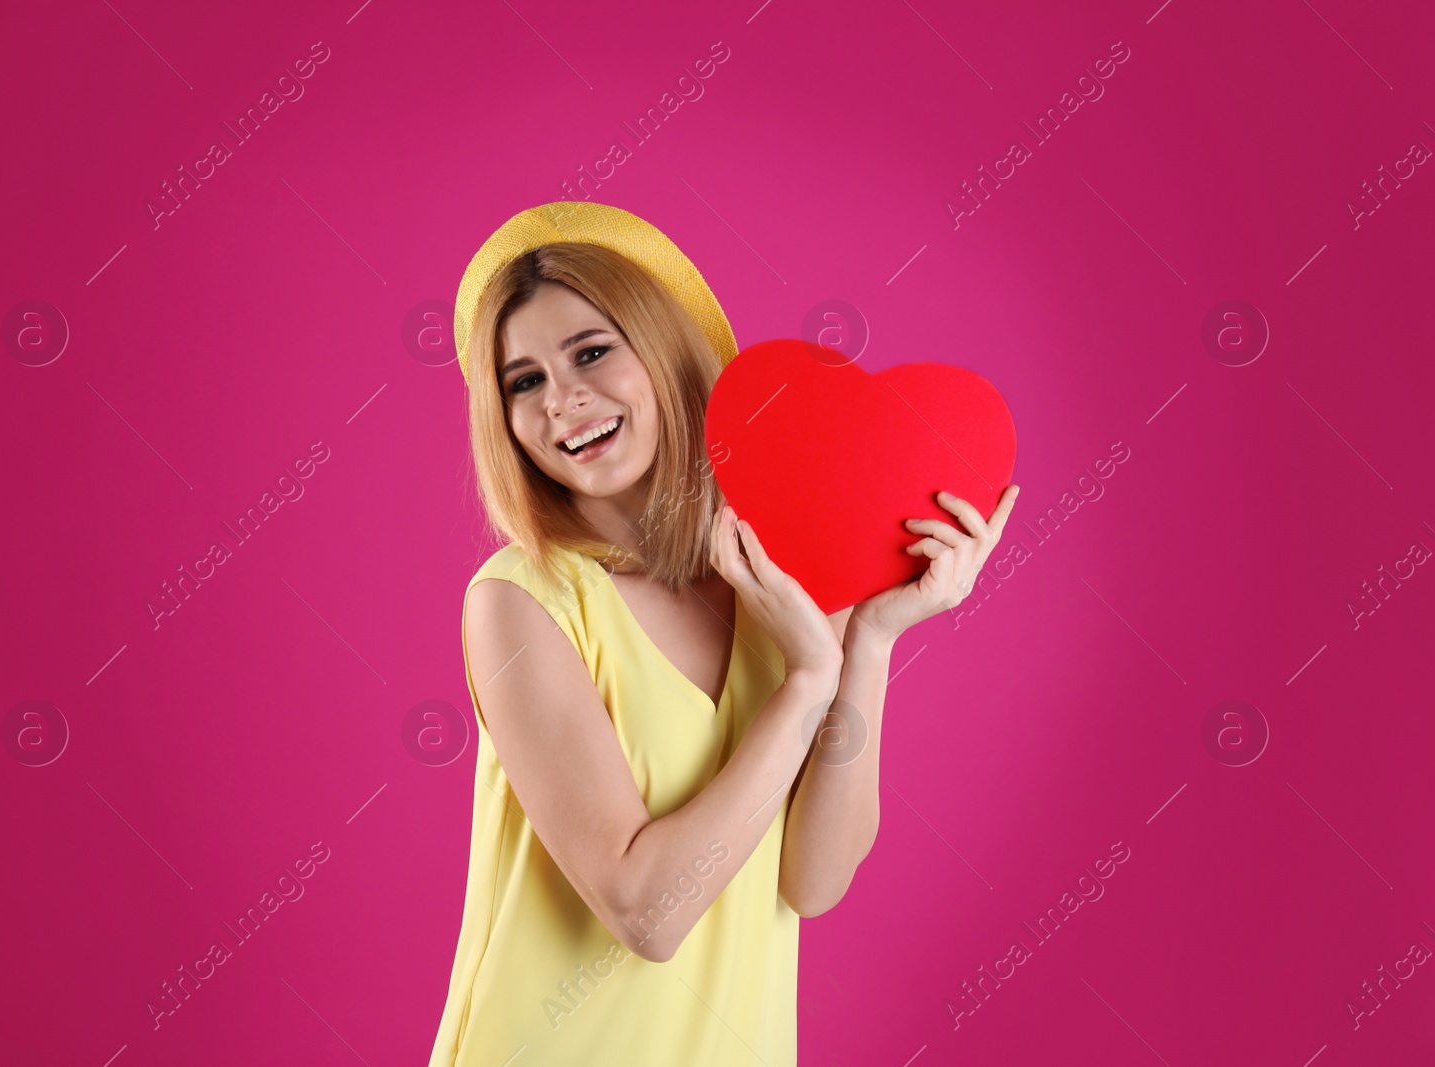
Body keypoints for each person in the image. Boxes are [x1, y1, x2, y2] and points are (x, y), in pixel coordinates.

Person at [428, 201, 1018, 1066]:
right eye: (524, 381)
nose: (564, 400)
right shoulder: (523, 601)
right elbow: (647, 912)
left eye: (591, 352)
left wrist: (869, 640)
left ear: (664, 351)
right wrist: (806, 683)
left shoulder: (776, 585)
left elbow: (813, 881)